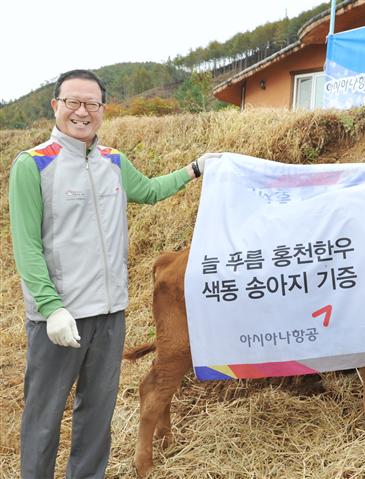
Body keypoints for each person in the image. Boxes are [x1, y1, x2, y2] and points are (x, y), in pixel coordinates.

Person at [9, 69, 212, 478]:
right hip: (59, 319)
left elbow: (151, 191)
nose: (82, 112)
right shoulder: (32, 166)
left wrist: (196, 167)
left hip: (109, 314)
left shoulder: (113, 162)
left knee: (97, 416)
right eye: (73, 102)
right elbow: (26, 246)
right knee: (44, 417)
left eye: (92, 104)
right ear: (56, 106)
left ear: (102, 109)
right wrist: (51, 308)